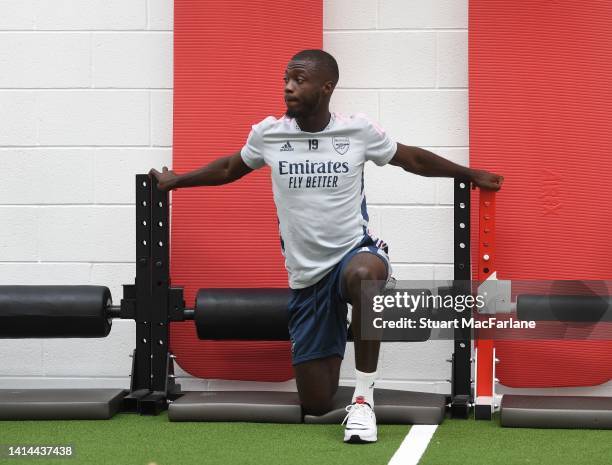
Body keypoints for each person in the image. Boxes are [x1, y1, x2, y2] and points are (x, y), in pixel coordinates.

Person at [150, 49, 503, 443]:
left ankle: (364, 402)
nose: (288, 87)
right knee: (316, 401)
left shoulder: (357, 131)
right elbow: (230, 167)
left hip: (356, 253)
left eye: (299, 79)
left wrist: (470, 173)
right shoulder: (269, 133)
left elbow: (412, 159)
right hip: (307, 276)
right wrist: (177, 181)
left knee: (364, 277)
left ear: (326, 87)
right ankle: (335, 362)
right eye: (286, 78)